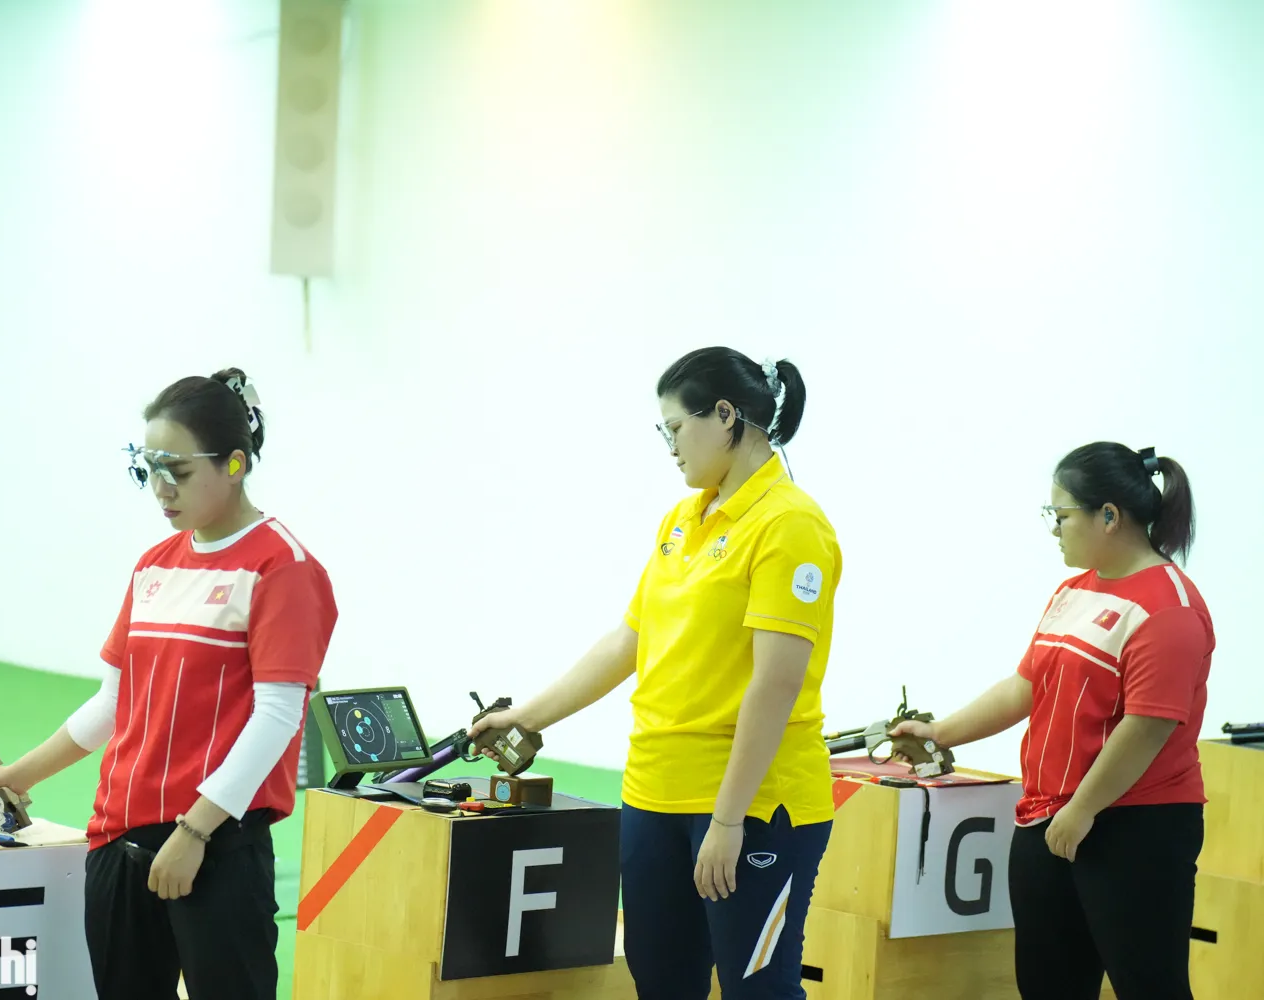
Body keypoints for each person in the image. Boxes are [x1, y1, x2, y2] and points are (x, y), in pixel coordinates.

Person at [0, 367, 337, 1000]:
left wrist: (195, 832)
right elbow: (113, 702)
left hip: (214, 847)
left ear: (235, 464)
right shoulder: (153, 567)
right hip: (118, 843)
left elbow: (276, 716)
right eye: (148, 469)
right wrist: (15, 777)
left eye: (177, 471)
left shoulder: (282, 569)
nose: (161, 489)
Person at [470, 348, 842, 1000]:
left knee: (759, 991)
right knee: (663, 984)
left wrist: (727, 821)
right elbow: (630, 640)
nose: (670, 447)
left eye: (675, 427)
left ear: (725, 415)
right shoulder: (681, 520)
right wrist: (527, 716)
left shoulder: (791, 525)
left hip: (754, 806)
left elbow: (776, 684)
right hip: (653, 792)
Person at [892, 442, 1210, 1000]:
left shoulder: (1169, 609)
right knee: (1047, 986)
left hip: (1133, 826)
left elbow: (1147, 728)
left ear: (1108, 516)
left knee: (1150, 986)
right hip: (1049, 818)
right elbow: (1027, 685)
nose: (1054, 529)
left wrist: (1081, 810)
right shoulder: (1074, 591)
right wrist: (940, 733)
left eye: (1060, 514)